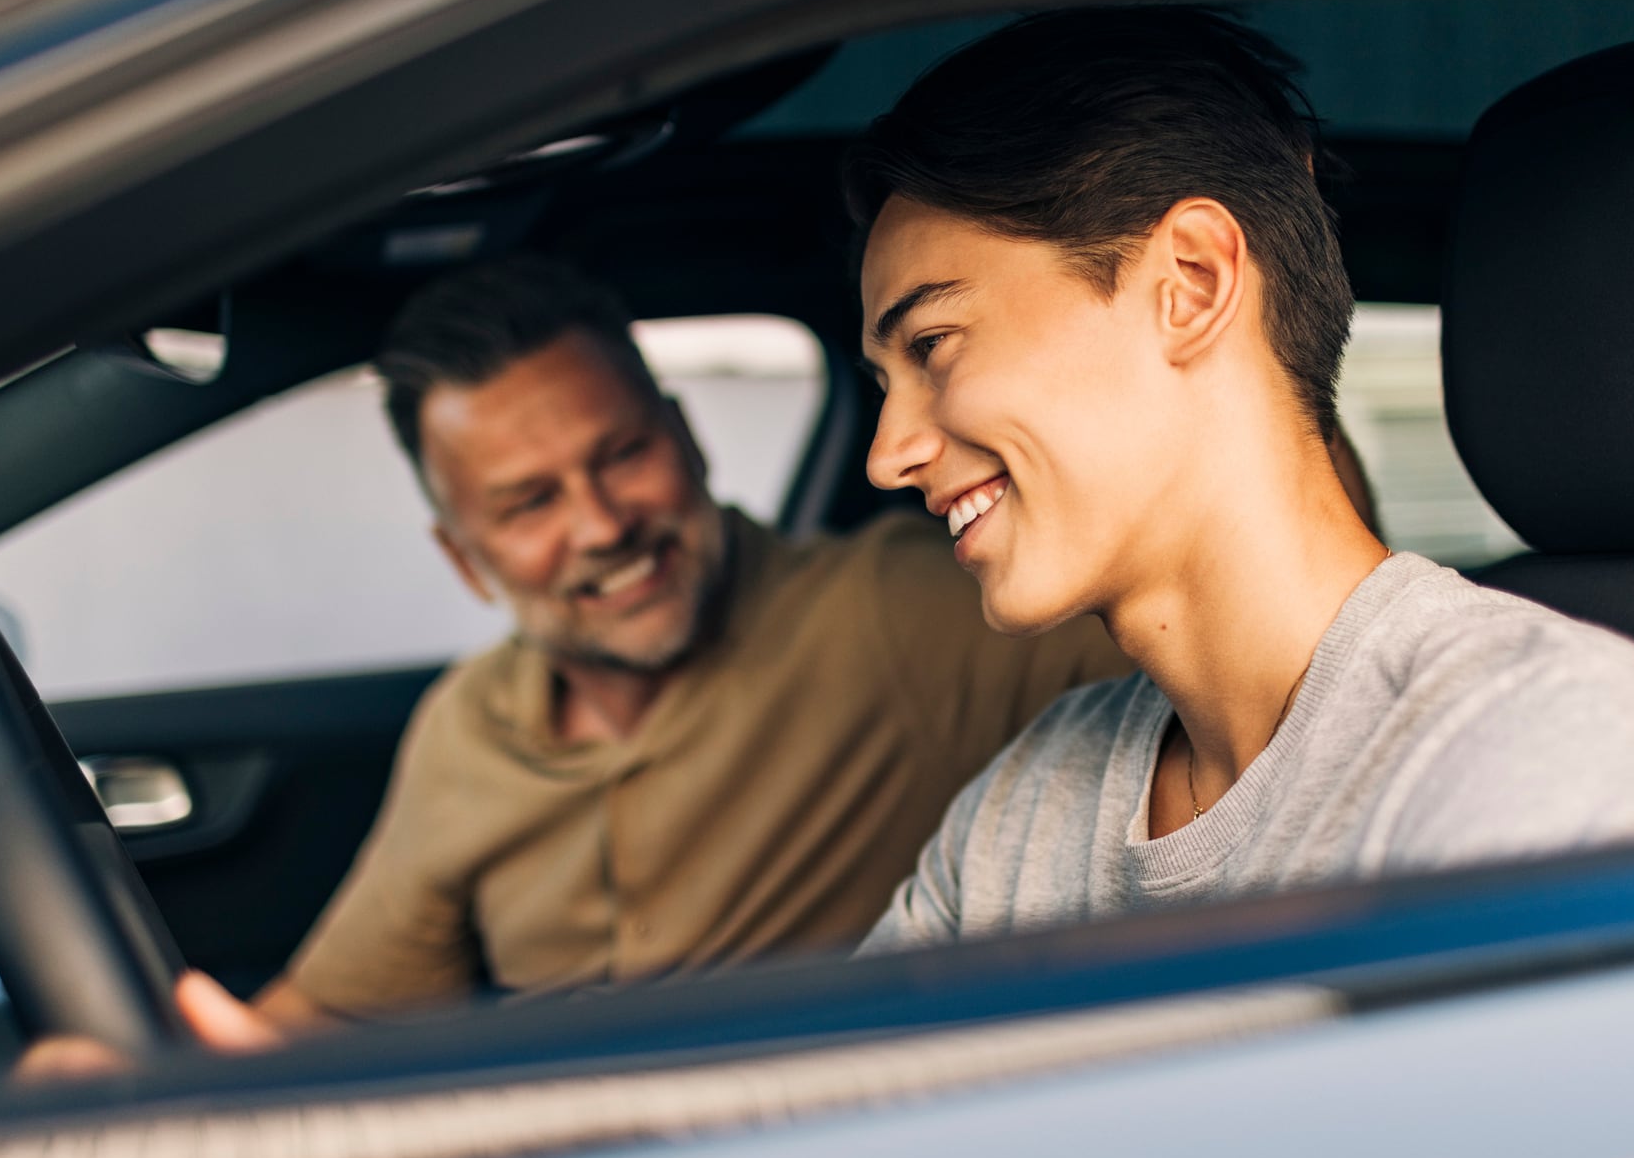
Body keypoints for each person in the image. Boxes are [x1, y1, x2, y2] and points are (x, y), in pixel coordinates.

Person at [846, 7, 1634, 953]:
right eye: (885, 386)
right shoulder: (1024, 807)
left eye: (933, 346)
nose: (888, 455)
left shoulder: (1558, 759)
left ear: (1192, 284)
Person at [235, 254, 1143, 1030]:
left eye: (623, 454)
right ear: (465, 559)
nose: (601, 526)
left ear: (685, 436)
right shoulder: (466, 725)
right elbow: (331, 1016)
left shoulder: (889, 610)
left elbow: (1218, 667)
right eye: (530, 504)